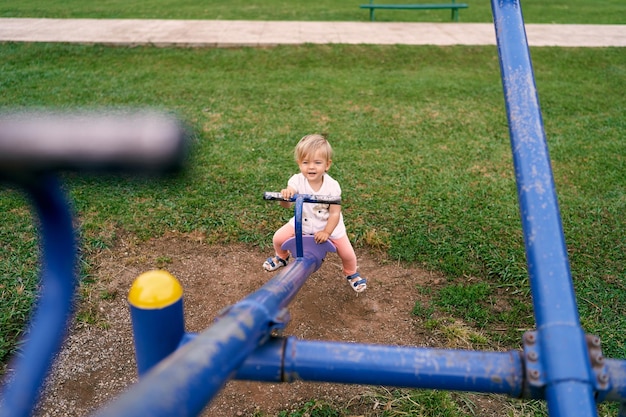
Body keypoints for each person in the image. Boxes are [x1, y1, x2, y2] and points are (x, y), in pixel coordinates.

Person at [262, 134, 367, 293]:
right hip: (302, 222)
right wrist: (285, 196)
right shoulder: (296, 181)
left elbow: (334, 214)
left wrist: (327, 232)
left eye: (317, 163)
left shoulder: (332, 187)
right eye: (306, 162)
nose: (311, 167)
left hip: (328, 226)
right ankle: (282, 257)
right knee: (278, 238)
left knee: (347, 254)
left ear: (327, 165)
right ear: (299, 164)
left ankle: (351, 273)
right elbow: (287, 205)